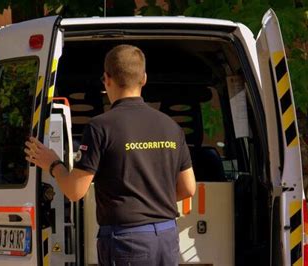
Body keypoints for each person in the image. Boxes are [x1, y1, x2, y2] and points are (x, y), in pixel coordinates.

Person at [25, 44, 195, 266]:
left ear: (106, 79)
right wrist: (151, 200)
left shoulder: (100, 127)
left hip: (127, 241)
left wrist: (52, 163)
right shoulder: (171, 127)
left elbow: (75, 191)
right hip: (166, 236)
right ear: (143, 78)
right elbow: (188, 188)